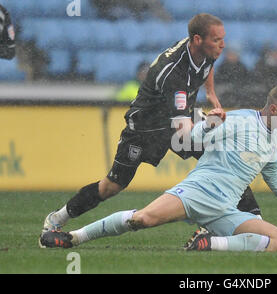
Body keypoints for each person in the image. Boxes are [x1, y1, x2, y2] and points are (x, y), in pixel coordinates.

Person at [39, 13, 262, 246]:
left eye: (222, 39)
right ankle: (57, 218)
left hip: (176, 119)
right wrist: (210, 125)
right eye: (217, 40)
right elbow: (184, 131)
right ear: (197, 39)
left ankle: (252, 221)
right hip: (146, 128)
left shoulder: (205, 51)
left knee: (223, 156)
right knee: (112, 185)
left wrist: (212, 94)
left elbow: (207, 68)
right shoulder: (174, 74)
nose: (223, 45)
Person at [39, 84, 277, 252]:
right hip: (197, 193)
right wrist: (209, 123)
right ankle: (73, 237)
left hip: (224, 209)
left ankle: (208, 243)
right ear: (275, 110)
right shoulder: (240, 121)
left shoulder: (273, 140)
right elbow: (191, 138)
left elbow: (274, 176)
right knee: (142, 219)